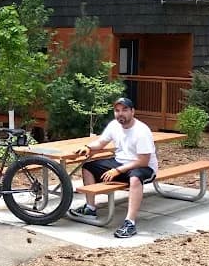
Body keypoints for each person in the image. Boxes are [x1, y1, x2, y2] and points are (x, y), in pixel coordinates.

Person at [68, 97, 158, 238]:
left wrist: (118, 170)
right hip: (119, 163)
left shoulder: (141, 131)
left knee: (135, 178)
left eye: (124, 110)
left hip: (143, 167)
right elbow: (101, 143)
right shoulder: (114, 125)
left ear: (133, 111)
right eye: (117, 110)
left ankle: (130, 223)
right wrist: (87, 147)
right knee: (88, 167)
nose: (120, 114)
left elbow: (143, 161)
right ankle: (90, 208)